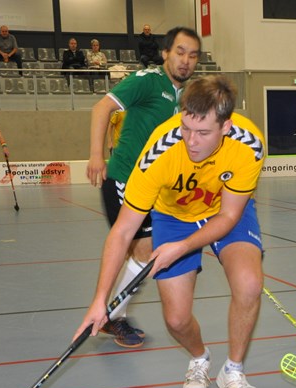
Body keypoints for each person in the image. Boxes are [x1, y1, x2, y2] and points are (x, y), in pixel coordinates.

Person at [75, 75, 266, 388]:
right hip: (173, 216)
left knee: (250, 284)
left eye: (203, 133)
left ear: (226, 125)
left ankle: (233, 372)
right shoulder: (160, 151)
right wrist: (99, 301)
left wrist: (182, 248)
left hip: (223, 209)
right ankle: (200, 359)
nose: (191, 141)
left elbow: (229, 216)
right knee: (176, 320)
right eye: (186, 128)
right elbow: (122, 233)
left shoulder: (248, 143)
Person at [84, 27, 201, 348]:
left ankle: (112, 314)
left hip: (154, 188)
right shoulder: (148, 80)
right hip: (123, 179)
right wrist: (96, 156)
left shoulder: (187, 96)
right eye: (179, 52)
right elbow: (101, 108)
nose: (185, 60)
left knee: (141, 254)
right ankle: (112, 315)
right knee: (143, 251)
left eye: (192, 55)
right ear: (165, 53)